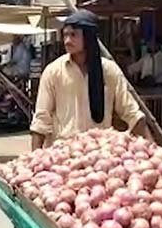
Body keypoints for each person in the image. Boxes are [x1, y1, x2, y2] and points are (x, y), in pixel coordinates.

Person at [30, 9, 153, 150]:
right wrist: (34, 158)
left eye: (73, 35)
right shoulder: (53, 72)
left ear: (89, 37)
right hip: (64, 154)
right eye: (65, 35)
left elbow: (132, 113)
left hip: (100, 155)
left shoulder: (110, 71)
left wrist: (152, 149)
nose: (67, 41)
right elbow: (41, 120)